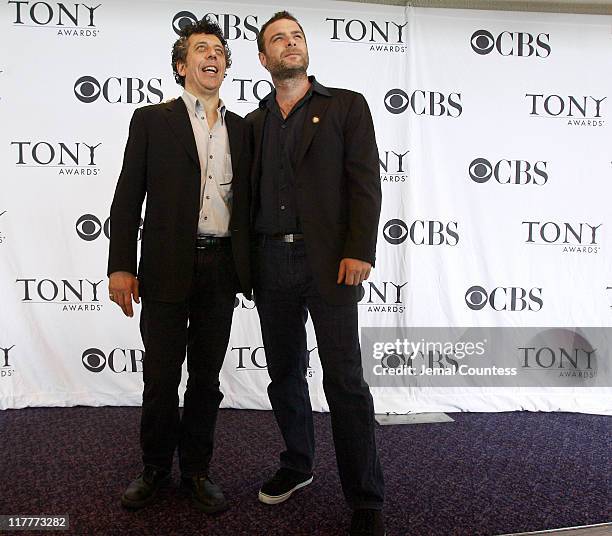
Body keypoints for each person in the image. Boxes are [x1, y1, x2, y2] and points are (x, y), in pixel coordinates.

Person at [246, 11, 385, 536]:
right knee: (284, 374)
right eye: (278, 40)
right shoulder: (255, 122)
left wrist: (359, 250)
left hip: (331, 263)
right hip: (270, 262)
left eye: (297, 37)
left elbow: (364, 184)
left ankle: (365, 495)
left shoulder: (346, 106)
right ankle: (298, 464)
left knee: (345, 380)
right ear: (264, 59)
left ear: (306, 50)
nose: (290, 44)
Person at [107, 16, 250, 514]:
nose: (213, 56)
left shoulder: (244, 129)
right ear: (181, 64)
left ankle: (197, 470)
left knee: (207, 378)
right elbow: (127, 198)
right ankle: (153, 468)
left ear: (226, 66)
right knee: (161, 376)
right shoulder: (151, 120)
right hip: (165, 267)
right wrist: (121, 264)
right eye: (201, 48)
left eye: (219, 51)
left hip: (221, 269)